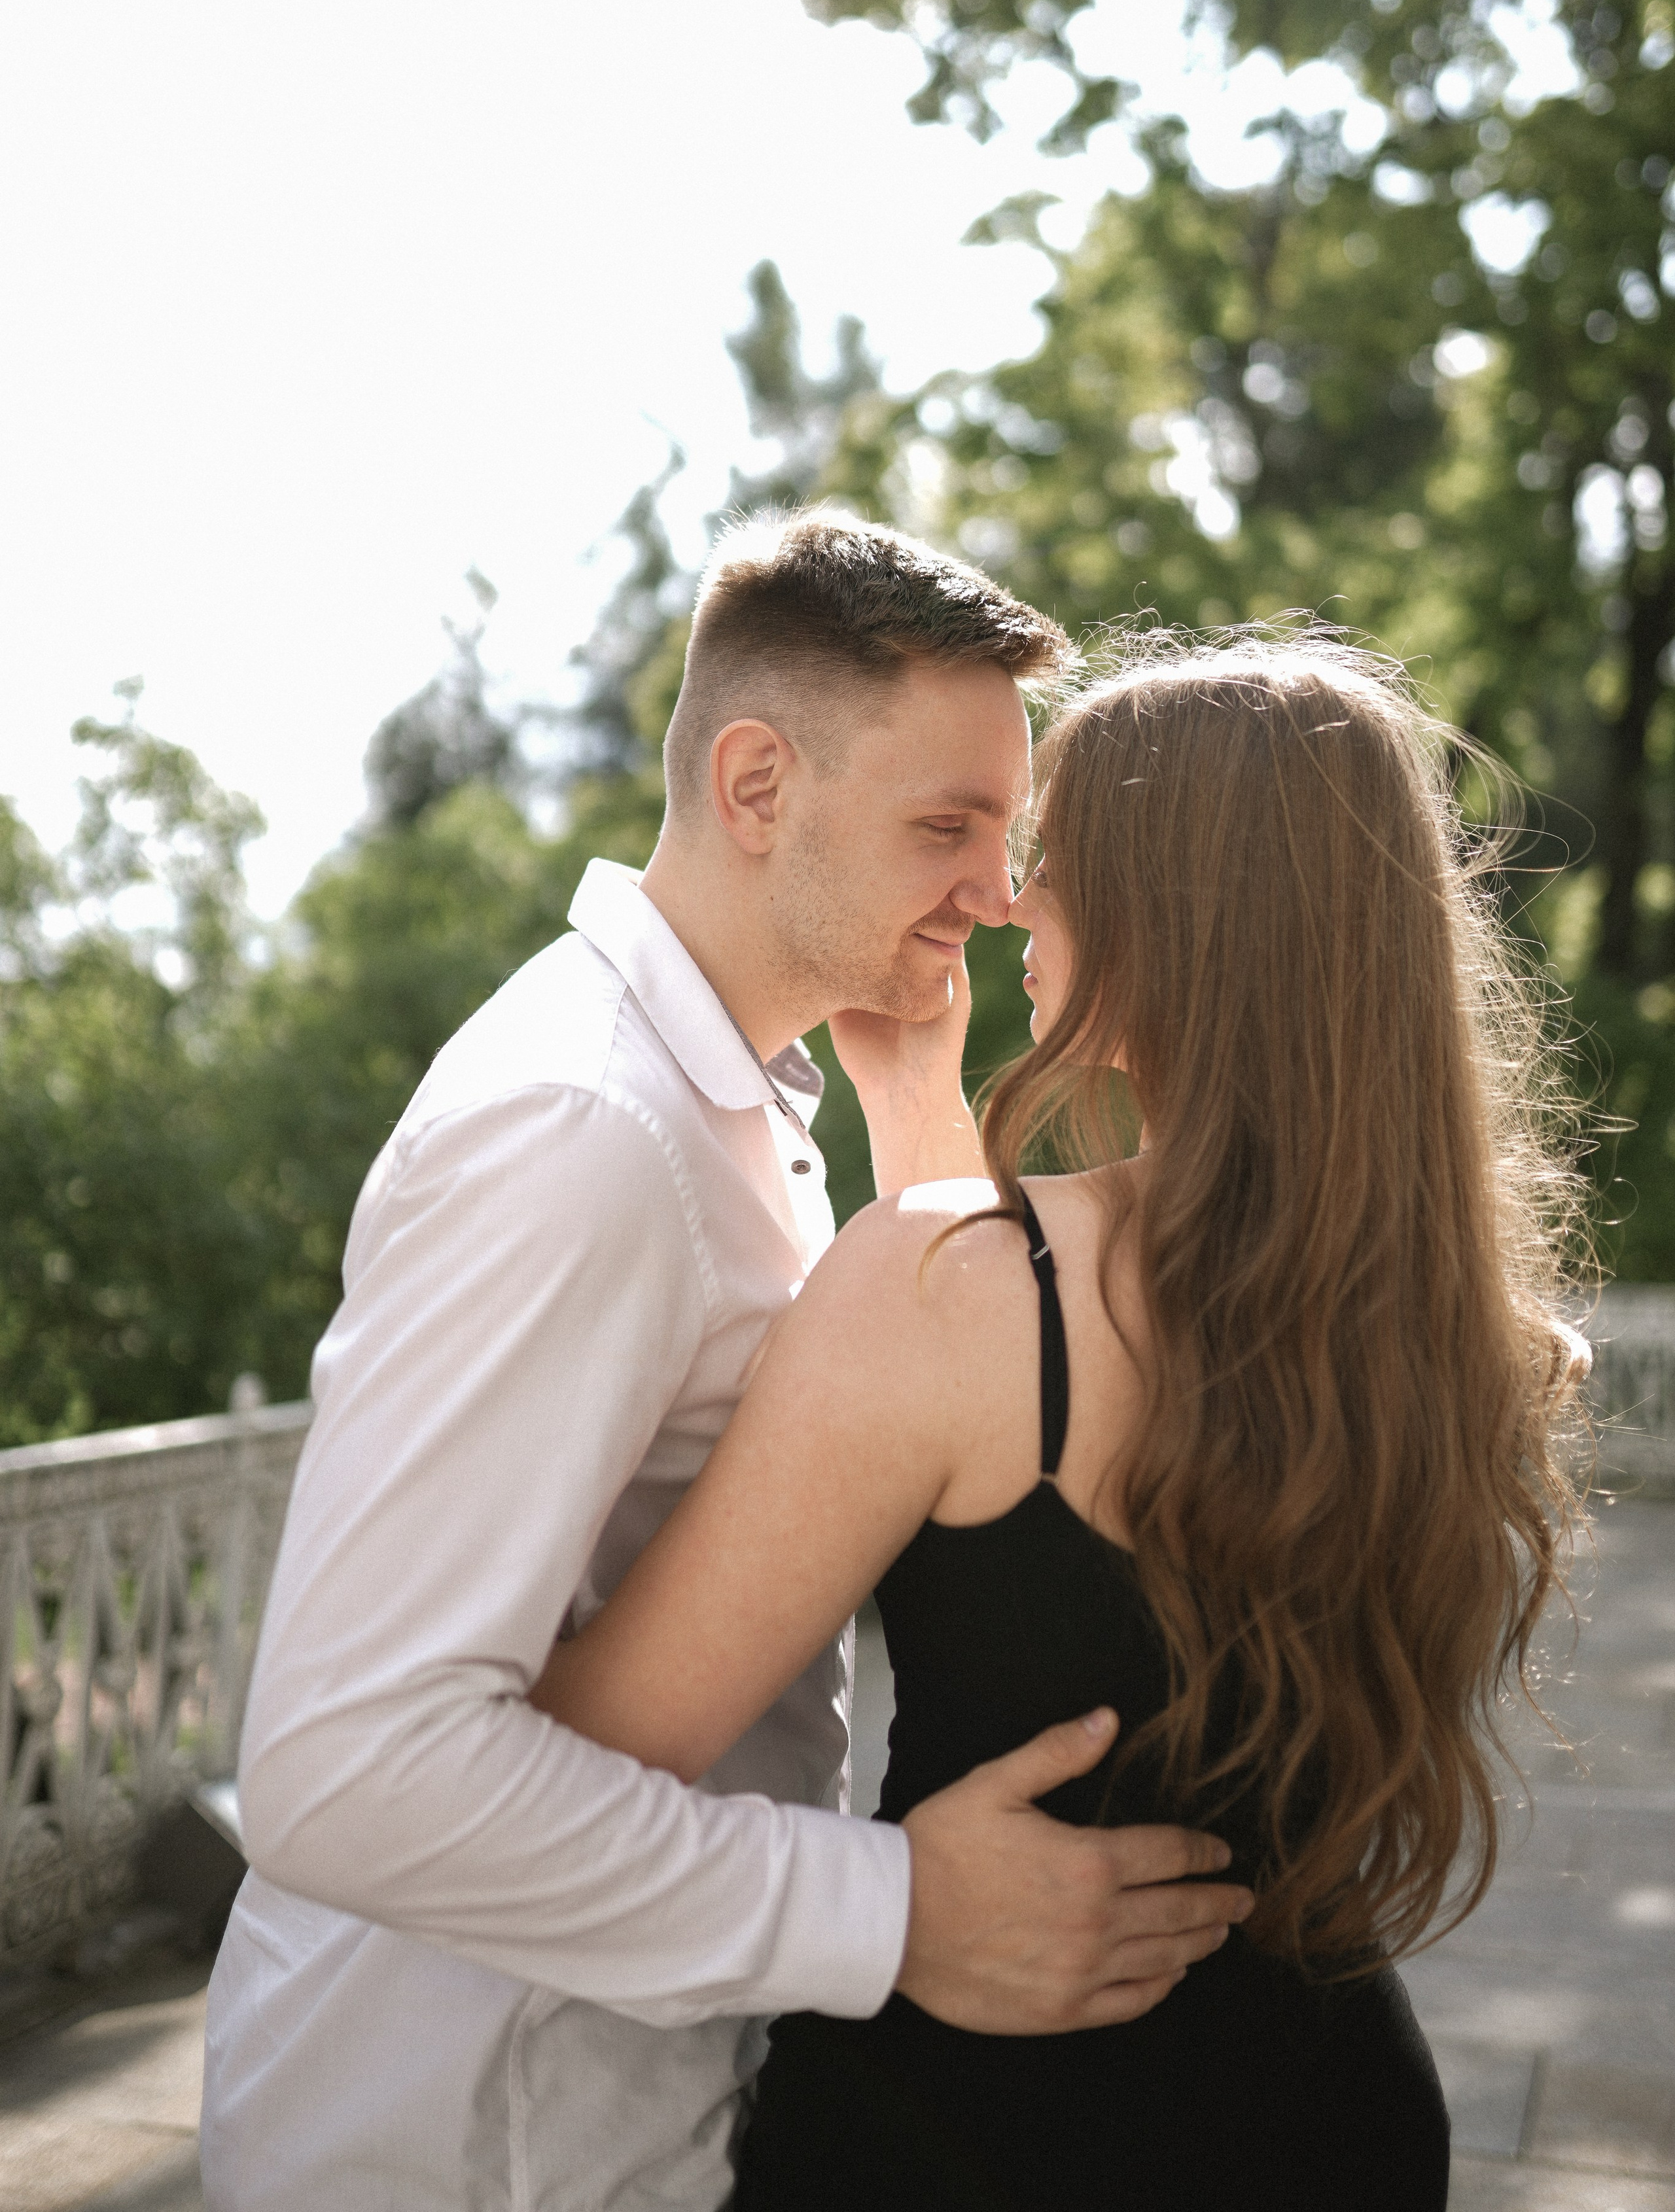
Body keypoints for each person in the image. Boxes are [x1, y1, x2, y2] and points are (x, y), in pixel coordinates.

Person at [200, 515, 1254, 2212]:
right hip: (466, 2143)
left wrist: (916, 1101)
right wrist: (895, 1912)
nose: (998, 897)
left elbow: (946, 1381)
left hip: (619, 2101)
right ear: (759, 788)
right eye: (947, 828)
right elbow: (347, 1772)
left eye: (1010, 832)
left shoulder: (740, 1104)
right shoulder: (583, 1128)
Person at [531, 629, 1591, 2210]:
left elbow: (589, 1755)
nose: (1011, 899)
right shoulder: (1496, 1345)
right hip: (1335, 2122)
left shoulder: (950, 1290)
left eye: (1060, 859)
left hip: (980, 2131)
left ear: (1185, 924)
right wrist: (912, 1107)